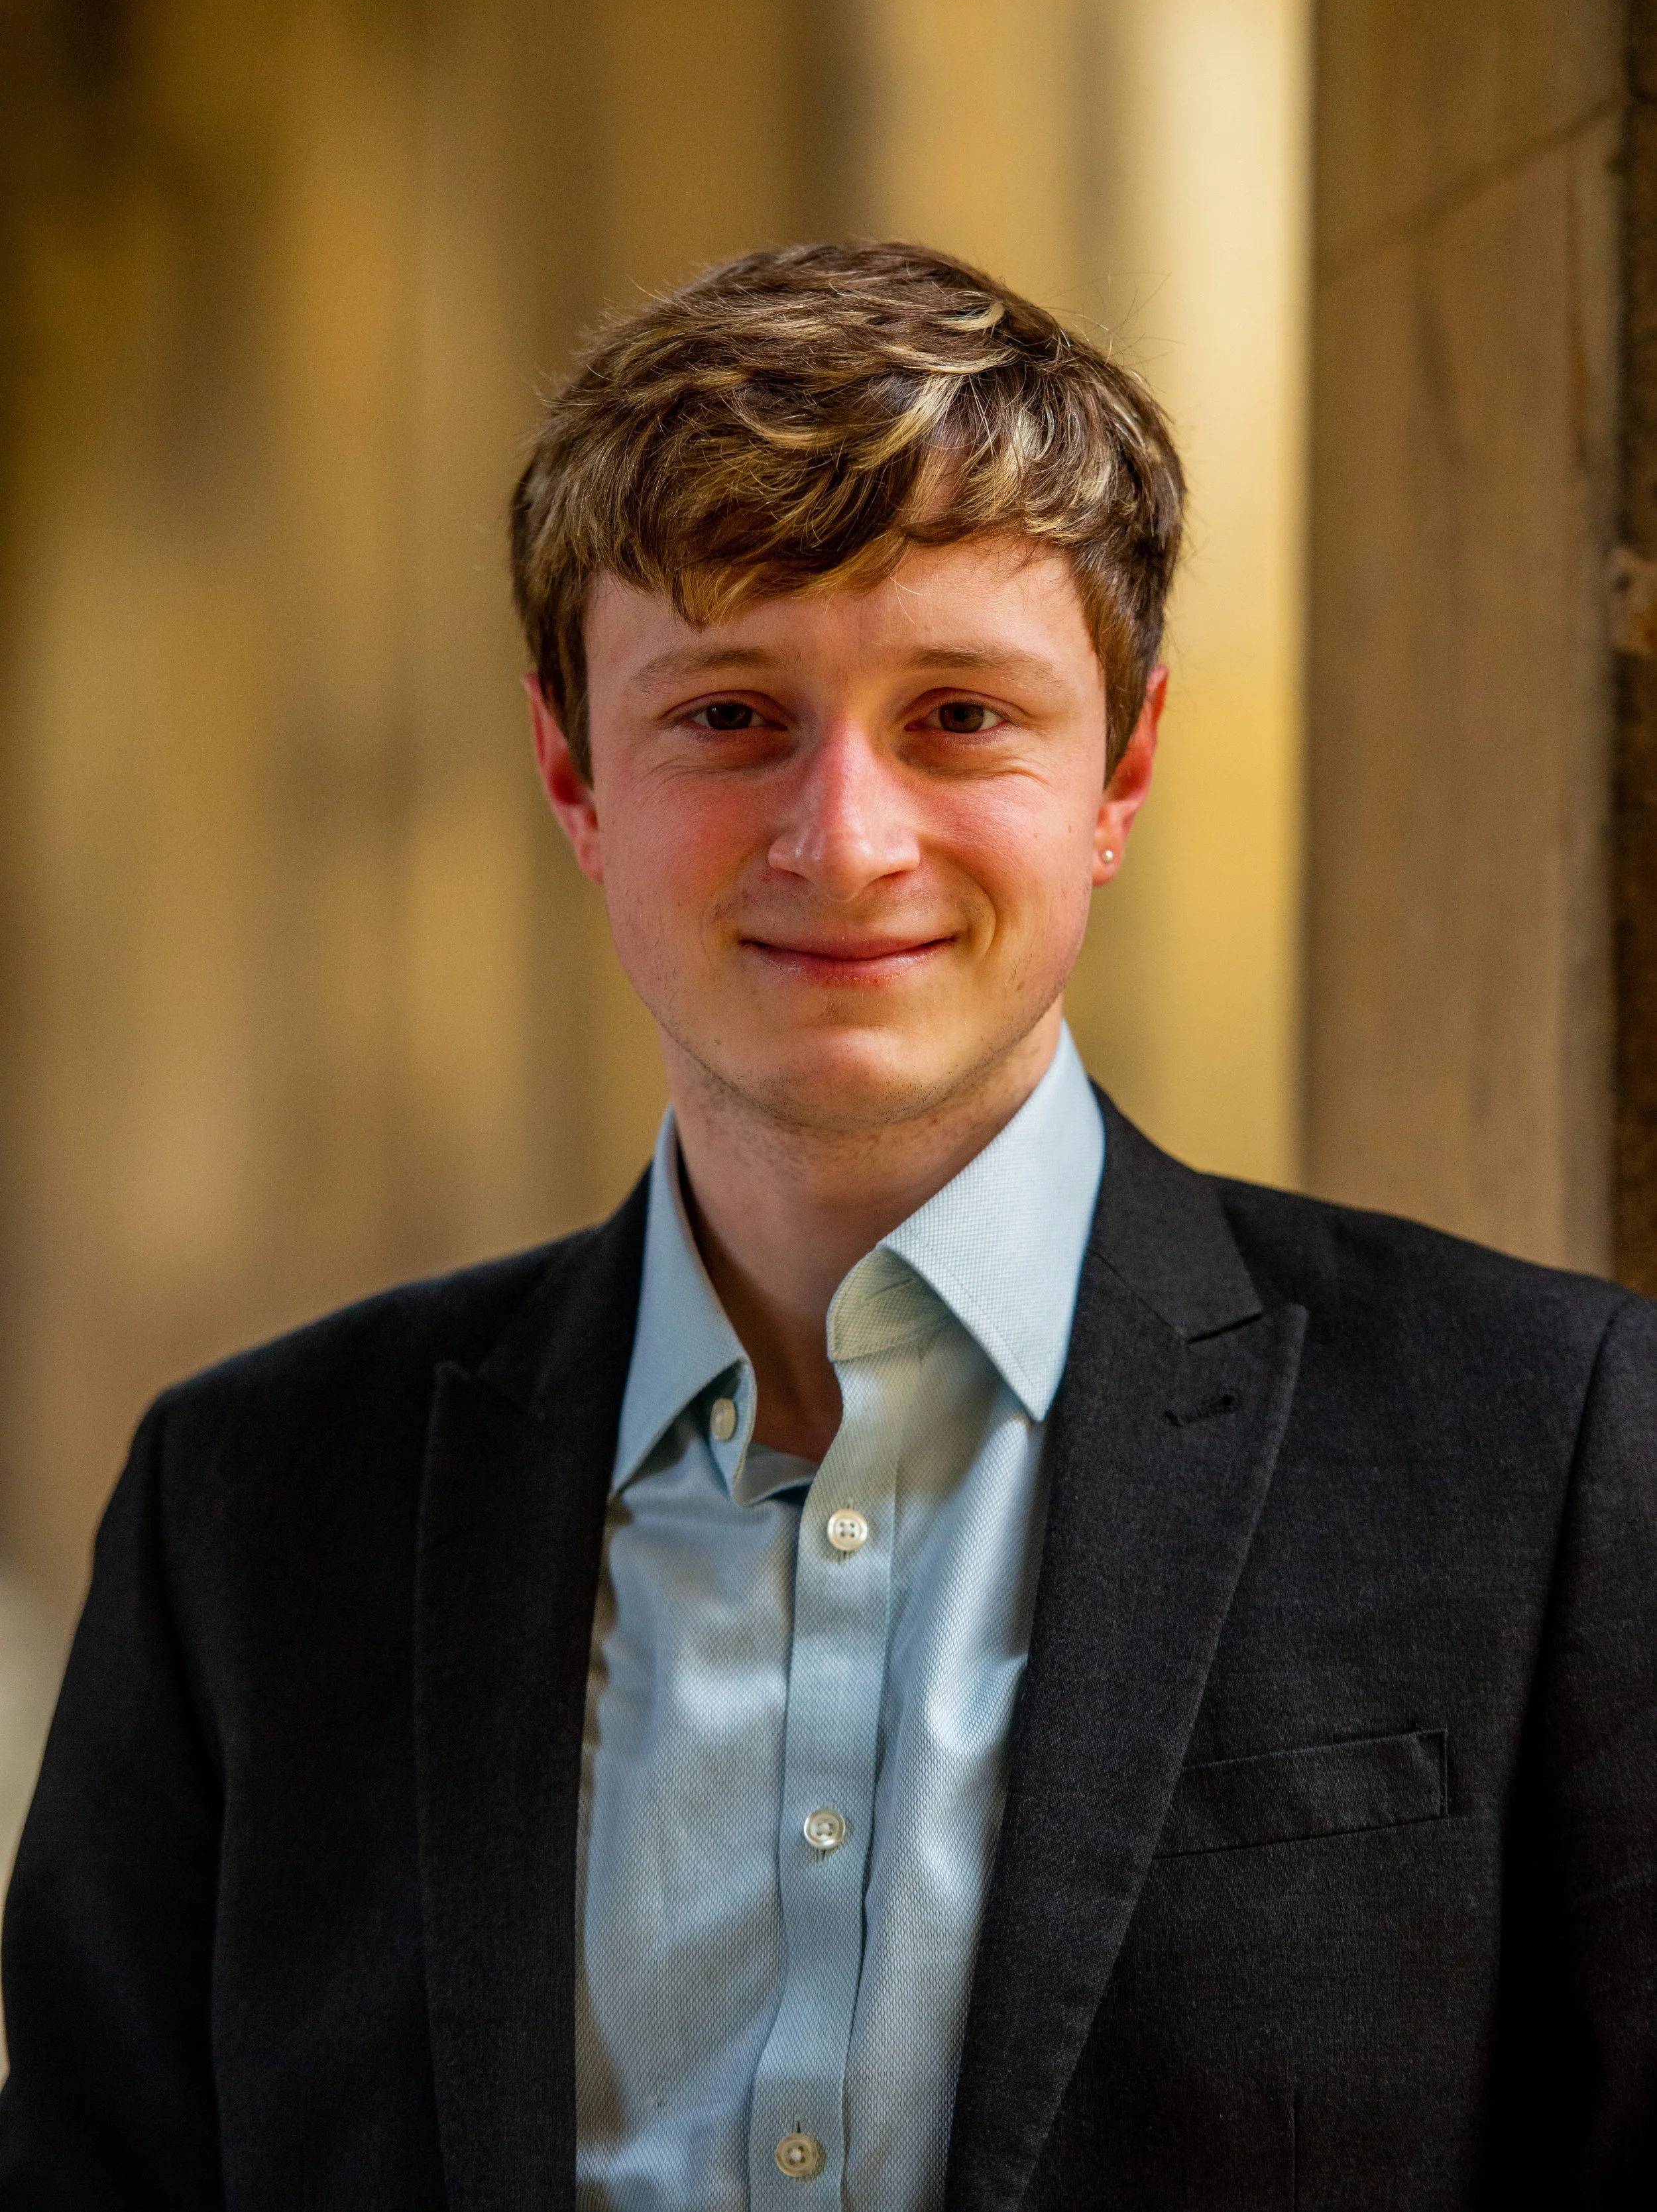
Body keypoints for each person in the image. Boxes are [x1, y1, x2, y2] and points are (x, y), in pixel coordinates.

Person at [0, 240, 1652, 2211]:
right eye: (725, 716)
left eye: (959, 714)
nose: (842, 839)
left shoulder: (1542, 1441)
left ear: (1119, 771)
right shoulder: (249, 1506)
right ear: (571, 770)